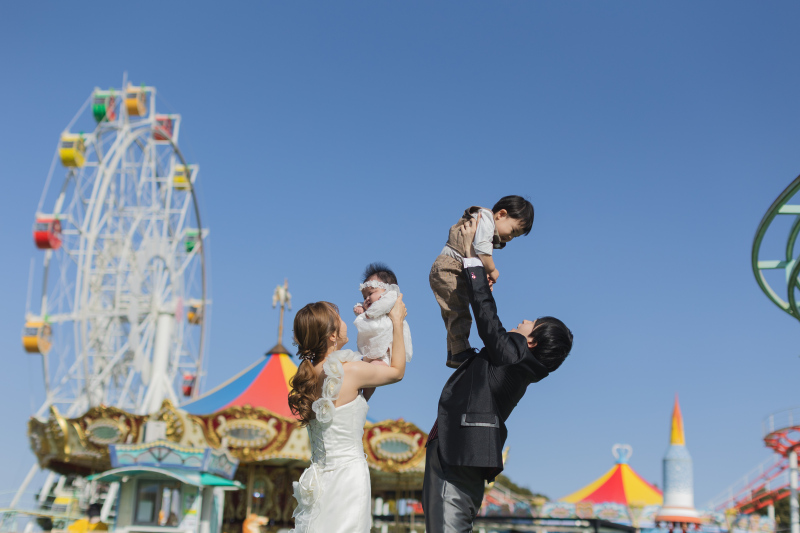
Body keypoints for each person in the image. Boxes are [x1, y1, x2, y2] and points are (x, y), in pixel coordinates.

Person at [422, 215, 573, 533]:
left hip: (458, 451)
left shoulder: (516, 353)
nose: (525, 320)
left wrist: (471, 262)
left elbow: (488, 320)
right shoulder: (520, 367)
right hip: (462, 450)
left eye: (533, 322)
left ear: (532, 340)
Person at [287, 296, 407, 533]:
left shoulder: (310, 377)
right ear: (332, 336)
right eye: (340, 319)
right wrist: (397, 321)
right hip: (349, 475)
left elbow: (356, 401)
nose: (345, 322)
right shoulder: (349, 370)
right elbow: (396, 372)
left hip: (320, 477)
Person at [430, 195, 534, 368]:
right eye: (513, 231)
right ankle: (458, 352)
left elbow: (476, 254)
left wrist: (481, 276)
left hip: (454, 270)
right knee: (459, 313)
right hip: (450, 269)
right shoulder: (485, 217)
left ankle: (454, 352)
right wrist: (492, 270)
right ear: (501, 214)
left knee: (455, 312)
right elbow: (482, 249)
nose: (511, 238)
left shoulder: (485, 225)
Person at [353, 262, 413, 366]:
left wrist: (370, 312)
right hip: (370, 351)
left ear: (387, 291)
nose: (367, 299)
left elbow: (383, 305)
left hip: (386, 353)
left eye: (371, 293)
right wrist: (358, 307)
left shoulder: (391, 298)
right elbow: (362, 305)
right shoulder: (369, 306)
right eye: (364, 297)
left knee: (375, 366)